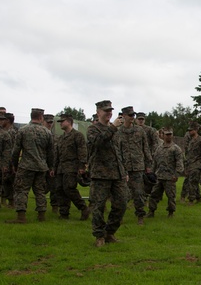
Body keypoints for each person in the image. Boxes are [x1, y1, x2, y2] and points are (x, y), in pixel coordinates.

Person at [87, 100, 128, 247]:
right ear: (98, 113)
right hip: (100, 174)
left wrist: (123, 171)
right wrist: (112, 128)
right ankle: (99, 236)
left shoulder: (115, 130)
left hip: (117, 174)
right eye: (106, 111)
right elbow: (98, 143)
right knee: (98, 207)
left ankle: (109, 232)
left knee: (122, 204)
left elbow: (119, 152)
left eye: (110, 111)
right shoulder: (93, 129)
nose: (109, 113)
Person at [6, 108, 55, 224]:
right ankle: (41, 215)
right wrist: (51, 167)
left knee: (21, 190)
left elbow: (16, 150)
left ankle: (21, 216)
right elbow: (51, 153)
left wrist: (15, 165)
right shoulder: (47, 133)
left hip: (26, 166)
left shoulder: (23, 130)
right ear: (41, 117)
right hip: (41, 167)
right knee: (40, 191)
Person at [117, 107, 152, 224]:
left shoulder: (139, 131)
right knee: (122, 194)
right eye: (130, 115)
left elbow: (145, 148)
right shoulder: (118, 132)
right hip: (123, 167)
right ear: (124, 116)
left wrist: (148, 164)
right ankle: (119, 216)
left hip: (138, 167)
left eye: (133, 115)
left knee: (138, 193)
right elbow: (116, 150)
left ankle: (140, 215)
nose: (132, 117)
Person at [53, 113, 90, 220]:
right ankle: (64, 213)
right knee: (59, 189)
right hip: (60, 167)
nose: (60, 124)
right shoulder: (61, 138)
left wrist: (82, 166)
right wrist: (54, 168)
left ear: (69, 122)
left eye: (62, 121)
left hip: (72, 166)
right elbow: (57, 154)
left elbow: (82, 151)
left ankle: (83, 208)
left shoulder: (77, 135)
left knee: (69, 189)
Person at [148, 128, 184, 218]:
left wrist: (176, 174)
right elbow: (155, 161)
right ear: (163, 135)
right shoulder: (159, 148)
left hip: (170, 177)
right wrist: (152, 173)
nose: (168, 136)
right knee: (153, 194)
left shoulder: (176, 149)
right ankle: (151, 211)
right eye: (167, 134)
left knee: (171, 196)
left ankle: (171, 213)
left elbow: (180, 163)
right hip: (159, 176)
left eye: (170, 134)